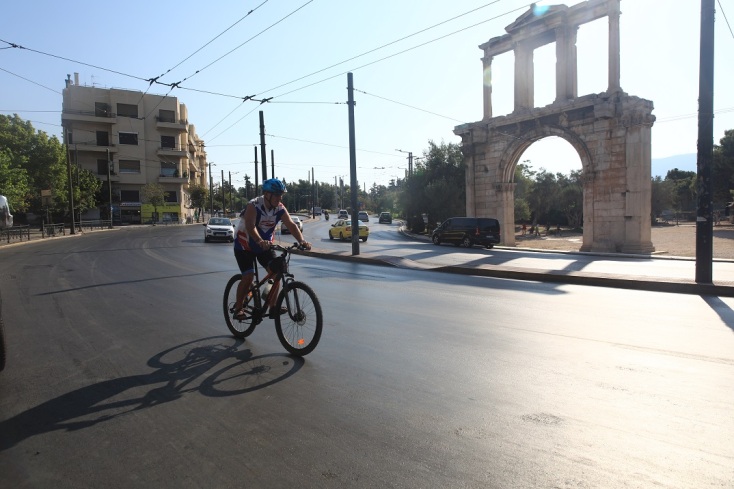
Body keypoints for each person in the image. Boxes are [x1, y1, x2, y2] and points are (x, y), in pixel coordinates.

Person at [232, 178, 311, 319]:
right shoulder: (254, 205)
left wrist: (302, 241)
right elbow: (250, 226)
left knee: (277, 272)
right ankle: (238, 308)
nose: (279, 198)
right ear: (267, 194)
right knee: (248, 276)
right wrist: (259, 240)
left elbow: (292, 225)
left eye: (281, 195)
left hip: (264, 246)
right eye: (276, 194)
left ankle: (272, 306)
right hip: (244, 245)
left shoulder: (279, 208)